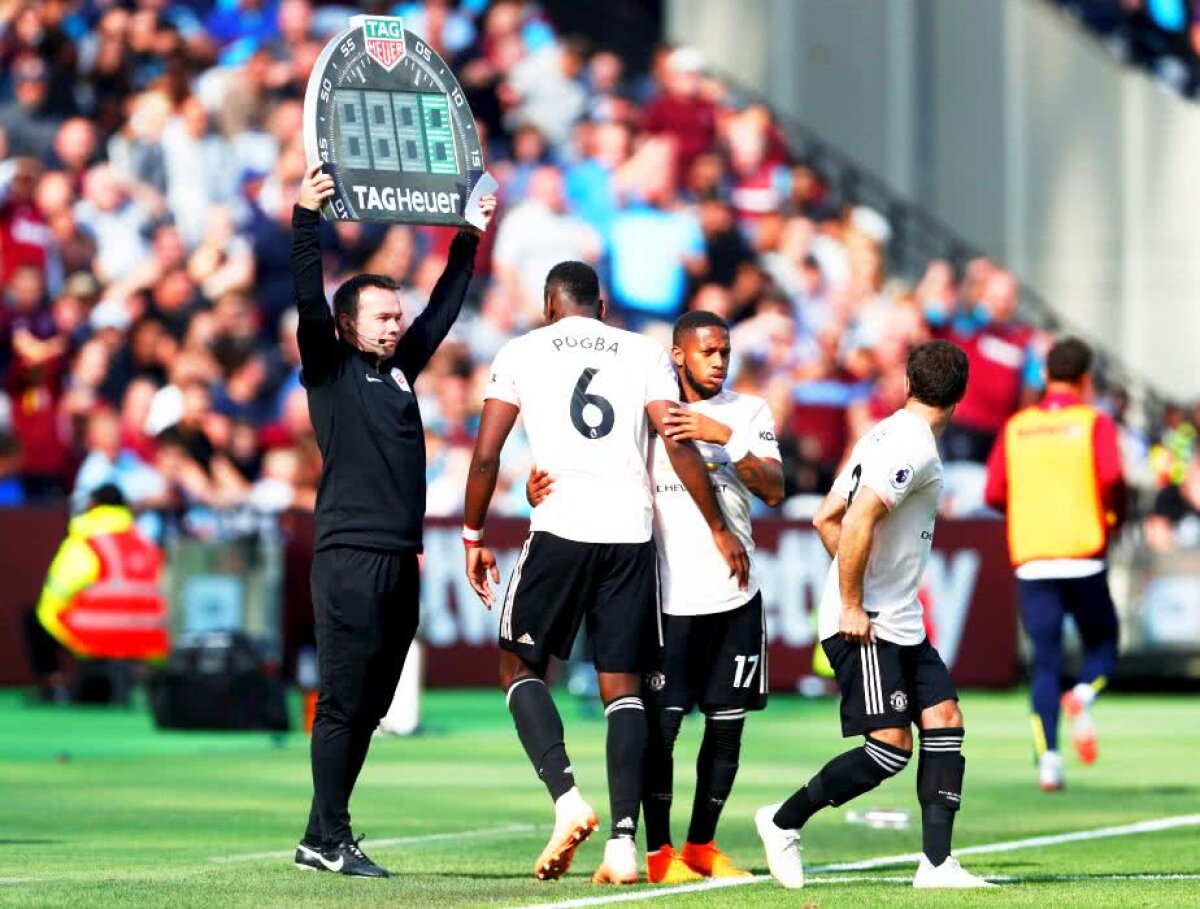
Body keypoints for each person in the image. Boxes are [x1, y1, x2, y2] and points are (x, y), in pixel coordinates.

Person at [462, 261, 749, 885]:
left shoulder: (521, 350)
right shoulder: (641, 349)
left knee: (519, 666)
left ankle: (567, 799)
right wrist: (719, 527)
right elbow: (675, 440)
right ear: (603, 305)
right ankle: (623, 844)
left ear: (548, 304)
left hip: (562, 525)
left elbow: (486, 454)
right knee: (622, 689)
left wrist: (473, 534)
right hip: (630, 535)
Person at [291, 163, 495, 879]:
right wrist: (305, 219)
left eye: (394, 313)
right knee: (344, 701)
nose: (396, 322)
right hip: (348, 556)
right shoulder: (329, 367)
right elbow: (307, 303)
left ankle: (322, 834)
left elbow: (442, 307)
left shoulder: (400, 369)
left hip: (399, 558)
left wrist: (469, 234)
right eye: (381, 315)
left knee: (371, 704)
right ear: (349, 326)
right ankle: (330, 834)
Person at [530, 310, 782, 883]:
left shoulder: (749, 412)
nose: (718, 361)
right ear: (678, 356)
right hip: (666, 598)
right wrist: (536, 483)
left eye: (724, 351)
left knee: (727, 727)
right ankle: (659, 853)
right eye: (706, 352)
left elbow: (773, 488)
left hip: (736, 595)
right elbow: (590, 460)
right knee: (661, 730)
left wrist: (724, 437)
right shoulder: (648, 410)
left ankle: (701, 846)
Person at [756, 340, 995, 890]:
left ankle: (936, 866)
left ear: (909, 384)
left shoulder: (883, 433)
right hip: (870, 620)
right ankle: (783, 820)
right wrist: (852, 603)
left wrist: (865, 588)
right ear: (960, 395)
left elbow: (824, 518)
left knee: (945, 720)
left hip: (897, 617)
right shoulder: (912, 446)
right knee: (889, 749)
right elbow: (857, 518)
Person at [984, 337, 1126, 791]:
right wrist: (1113, 518)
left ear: (1045, 376)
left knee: (1044, 665)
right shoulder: (1093, 422)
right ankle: (1081, 696)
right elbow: (1113, 477)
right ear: (1085, 379)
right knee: (1103, 649)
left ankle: (1048, 761)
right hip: (1083, 555)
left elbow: (992, 493)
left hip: (1034, 559)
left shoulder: (1017, 427)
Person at [28, 483, 166, 704]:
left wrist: (55, 621)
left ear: (93, 504)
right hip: (148, 640)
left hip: (98, 636)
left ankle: (55, 685)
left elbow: (56, 594)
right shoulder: (145, 542)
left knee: (35, 619)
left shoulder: (86, 541)